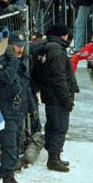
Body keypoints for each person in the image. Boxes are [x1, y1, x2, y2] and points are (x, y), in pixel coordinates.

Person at [32, 25, 78, 172]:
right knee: (60, 126)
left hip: (49, 93)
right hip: (57, 95)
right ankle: (54, 158)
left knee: (53, 123)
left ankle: (53, 153)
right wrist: (67, 99)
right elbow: (59, 78)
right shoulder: (57, 51)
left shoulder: (46, 48)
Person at [0, 31, 32, 183]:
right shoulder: (1, 63)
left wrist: (31, 107)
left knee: (15, 145)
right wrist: (14, 60)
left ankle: (11, 178)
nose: (20, 49)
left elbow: (25, 86)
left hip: (18, 110)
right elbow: (8, 78)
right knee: (8, 147)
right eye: (17, 46)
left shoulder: (22, 61)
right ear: (10, 46)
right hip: (6, 111)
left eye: (22, 46)